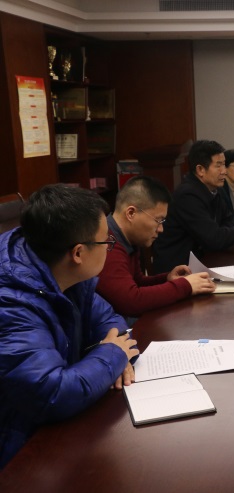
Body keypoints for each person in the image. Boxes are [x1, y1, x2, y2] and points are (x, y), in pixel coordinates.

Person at [0, 185, 139, 468]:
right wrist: (113, 355)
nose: (109, 247)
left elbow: (111, 321)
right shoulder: (11, 305)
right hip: (17, 451)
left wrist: (115, 353)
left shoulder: (64, 270)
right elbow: (52, 394)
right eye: (105, 241)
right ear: (78, 253)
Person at [96, 175, 217, 318]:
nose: (161, 229)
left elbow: (137, 283)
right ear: (131, 213)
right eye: (158, 220)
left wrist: (167, 278)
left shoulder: (128, 239)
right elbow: (131, 301)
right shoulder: (107, 244)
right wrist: (185, 285)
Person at [152, 139, 234, 274]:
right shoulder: (188, 195)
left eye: (224, 165)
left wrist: (232, 231)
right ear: (200, 170)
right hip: (178, 270)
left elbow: (229, 222)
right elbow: (213, 238)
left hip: (204, 261)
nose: (224, 171)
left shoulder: (214, 188)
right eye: (218, 166)